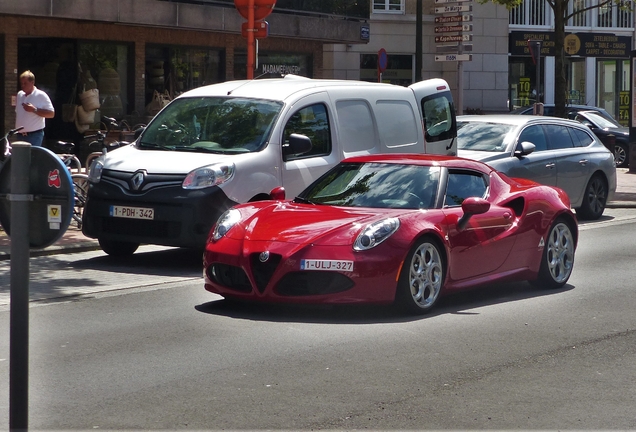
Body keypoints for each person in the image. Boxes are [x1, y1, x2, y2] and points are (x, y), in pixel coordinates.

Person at [15, 70, 55, 147]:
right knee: (20, 158)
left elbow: (51, 114)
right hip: (20, 136)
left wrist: (34, 110)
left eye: (25, 83)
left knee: (32, 157)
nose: (22, 85)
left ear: (32, 82)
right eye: (21, 83)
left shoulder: (41, 95)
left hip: (34, 136)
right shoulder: (20, 94)